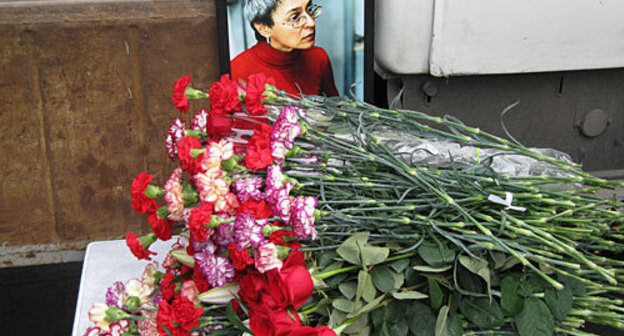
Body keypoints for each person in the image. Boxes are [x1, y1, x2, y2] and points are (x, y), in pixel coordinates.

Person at [231, 0, 339, 97]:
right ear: (264, 28)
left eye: (309, 9)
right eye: (295, 17)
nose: (311, 22)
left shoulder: (318, 58)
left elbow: (336, 110)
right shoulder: (237, 71)